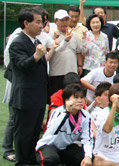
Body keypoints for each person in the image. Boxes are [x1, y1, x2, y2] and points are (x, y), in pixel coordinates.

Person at [9, 8, 49, 165]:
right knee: (23, 134)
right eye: (38, 22)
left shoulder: (36, 41)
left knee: (33, 133)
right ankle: (22, 161)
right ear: (26, 23)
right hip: (25, 98)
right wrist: (36, 56)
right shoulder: (17, 42)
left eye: (42, 22)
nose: (41, 25)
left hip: (37, 98)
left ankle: (31, 159)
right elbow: (21, 66)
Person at [35, 84, 93, 166]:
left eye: (82, 97)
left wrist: (88, 156)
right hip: (48, 145)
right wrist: (66, 113)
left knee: (84, 157)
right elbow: (52, 131)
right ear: (66, 100)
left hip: (66, 147)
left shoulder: (86, 116)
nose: (80, 101)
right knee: (51, 159)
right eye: (76, 98)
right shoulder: (58, 112)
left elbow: (87, 139)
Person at [49, 9, 82, 96]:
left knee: (72, 97)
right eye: (62, 20)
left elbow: (78, 51)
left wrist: (80, 66)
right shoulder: (50, 34)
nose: (64, 22)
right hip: (56, 73)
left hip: (72, 73)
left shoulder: (74, 35)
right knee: (56, 98)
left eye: (66, 20)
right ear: (55, 21)